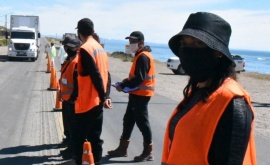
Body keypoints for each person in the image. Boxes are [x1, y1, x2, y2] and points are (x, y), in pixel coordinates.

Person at [161, 12, 257, 165]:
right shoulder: (197, 91)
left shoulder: (232, 101)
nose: (188, 50)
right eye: (184, 43)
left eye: (197, 43)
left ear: (218, 52)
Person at [107, 31, 156, 162]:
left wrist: (122, 86)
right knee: (128, 120)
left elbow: (139, 79)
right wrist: (125, 82)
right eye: (129, 42)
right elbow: (136, 77)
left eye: (133, 42)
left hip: (141, 94)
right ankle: (122, 149)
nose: (130, 44)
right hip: (136, 93)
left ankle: (148, 151)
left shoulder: (143, 57)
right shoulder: (140, 55)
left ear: (141, 42)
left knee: (142, 122)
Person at [74, 18, 109, 165]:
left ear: (79, 32)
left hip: (87, 102)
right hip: (97, 102)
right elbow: (106, 73)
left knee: (79, 139)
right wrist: (105, 96)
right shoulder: (99, 48)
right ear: (93, 30)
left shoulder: (85, 49)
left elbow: (95, 75)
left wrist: (102, 96)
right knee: (95, 138)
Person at [58, 36, 81, 158]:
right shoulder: (69, 60)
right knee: (68, 126)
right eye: (65, 46)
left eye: (69, 47)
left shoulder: (76, 62)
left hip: (73, 101)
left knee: (74, 127)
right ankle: (70, 145)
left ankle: (73, 151)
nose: (66, 48)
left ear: (76, 48)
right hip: (67, 99)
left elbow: (78, 83)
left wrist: (73, 98)